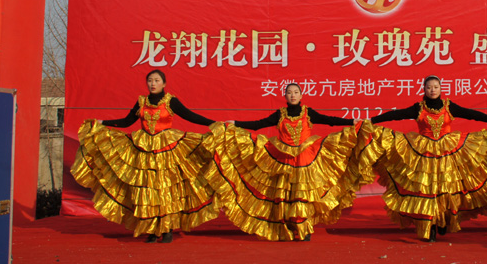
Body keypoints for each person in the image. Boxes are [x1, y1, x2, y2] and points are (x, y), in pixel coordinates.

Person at [202, 83, 372, 241]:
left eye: (296, 92)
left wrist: (352, 122)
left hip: (305, 159)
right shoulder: (280, 114)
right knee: (286, 193)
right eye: (289, 92)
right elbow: (258, 125)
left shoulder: (308, 113)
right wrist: (236, 124)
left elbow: (329, 120)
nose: (293, 95)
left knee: (302, 193)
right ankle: (287, 226)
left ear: (301, 95)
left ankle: (303, 227)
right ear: (285, 96)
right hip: (284, 158)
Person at [71, 69, 219, 243]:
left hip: (166, 149)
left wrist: (215, 124)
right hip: (144, 150)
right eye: (150, 80)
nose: (153, 84)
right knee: (148, 189)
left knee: (164, 189)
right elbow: (127, 121)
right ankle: (152, 229)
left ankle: (167, 229)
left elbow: (190, 116)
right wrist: (102, 122)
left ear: (164, 83)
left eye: (156, 80)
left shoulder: (170, 101)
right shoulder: (142, 101)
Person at [368, 75, 487, 242]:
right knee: (428, 190)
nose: (432, 90)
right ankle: (430, 228)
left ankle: (444, 219)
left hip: (447, 153)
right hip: (425, 154)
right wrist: (372, 120)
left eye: (436, 87)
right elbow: (396, 115)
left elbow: (470, 114)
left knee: (446, 189)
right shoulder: (418, 108)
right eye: (429, 87)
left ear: (440, 89)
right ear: (424, 89)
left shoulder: (449, 107)